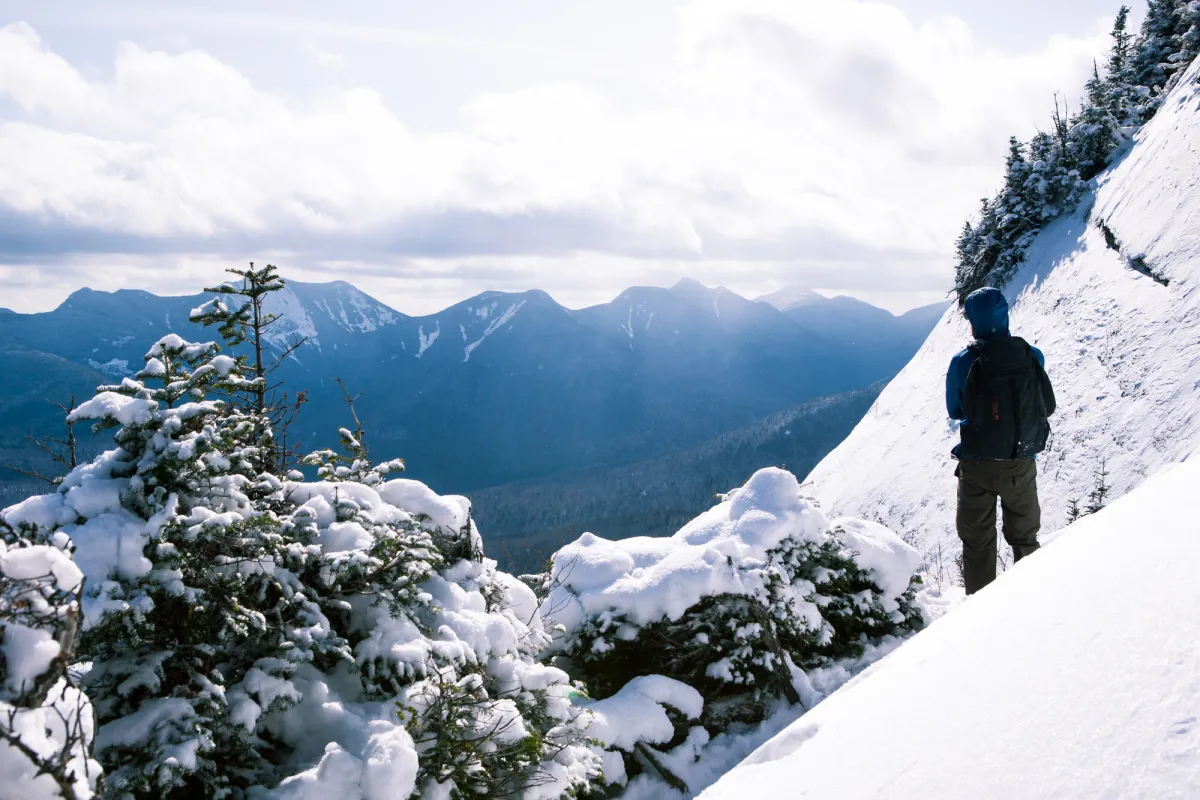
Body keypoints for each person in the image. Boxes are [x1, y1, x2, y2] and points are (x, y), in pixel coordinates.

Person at [946, 287, 1056, 594]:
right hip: (1021, 461)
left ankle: (981, 612)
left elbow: (955, 409)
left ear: (973, 322)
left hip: (978, 465)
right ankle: (1032, 600)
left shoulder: (962, 362)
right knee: (1025, 537)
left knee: (978, 541)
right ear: (1005, 315)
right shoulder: (1031, 356)